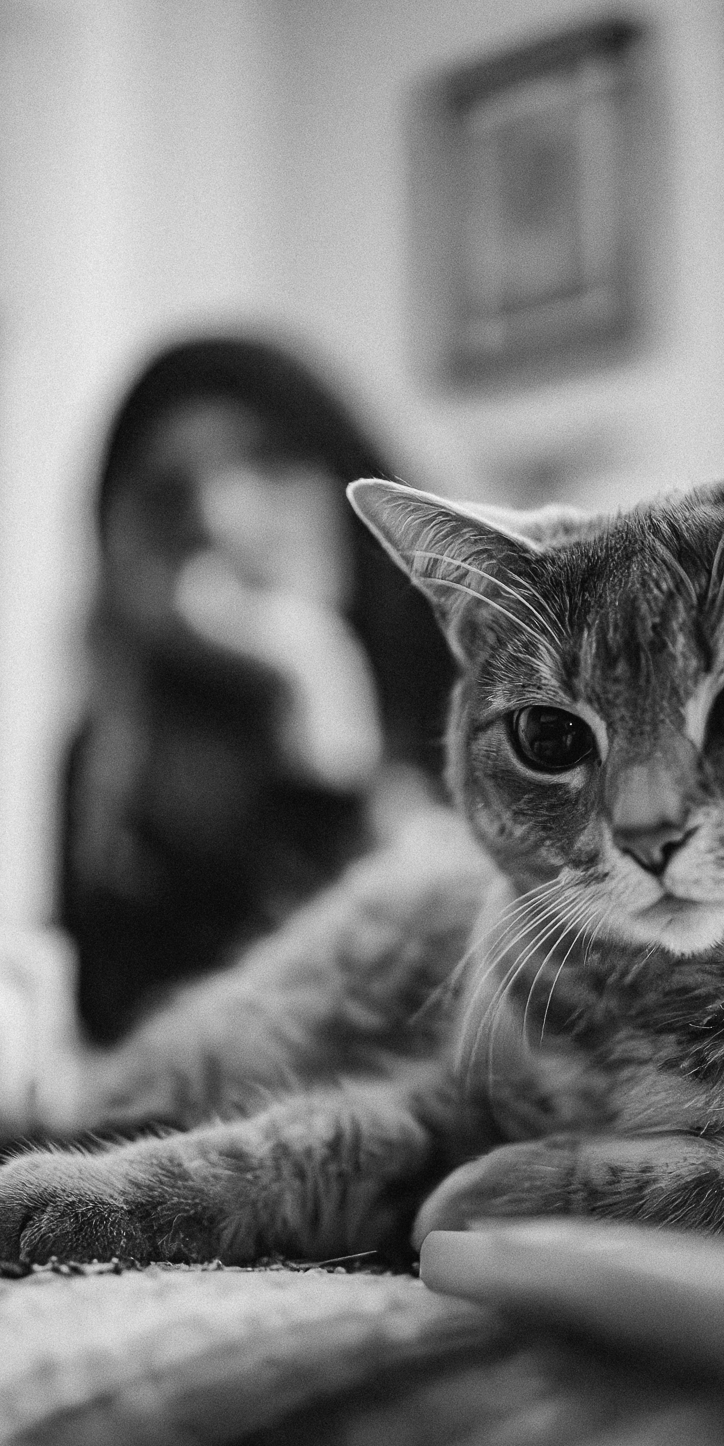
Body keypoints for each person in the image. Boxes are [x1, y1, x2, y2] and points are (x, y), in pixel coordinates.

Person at [63, 336, 456, 1044]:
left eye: (271, 461)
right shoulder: (111, 761)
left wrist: (326, 717)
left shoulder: (490, 703)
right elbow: (132, 1033)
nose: (218, 516)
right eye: (166, 490)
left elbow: (436, 1021)